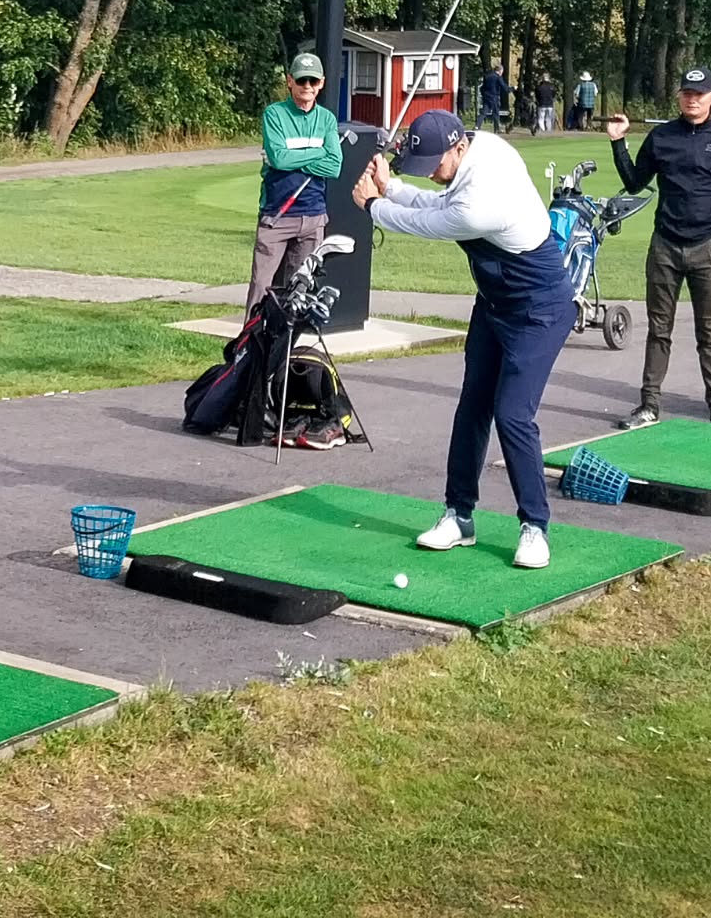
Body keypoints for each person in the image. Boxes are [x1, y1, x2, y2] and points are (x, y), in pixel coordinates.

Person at [353, 109, 575, 569]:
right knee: (473, 406)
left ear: (459, 147)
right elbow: (438, 202)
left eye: (435, 163)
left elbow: (430, 222)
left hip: (539, 309)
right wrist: (392, 186)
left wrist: (374, 205)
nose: (431, 172)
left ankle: (535, 526)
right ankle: (459, 515)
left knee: (512, 414)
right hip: (494, 304)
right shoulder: (480, 147)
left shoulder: (481, 202)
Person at [608, 67, 711, 428]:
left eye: (699, 94)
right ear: (679, 97)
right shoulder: (662, 136)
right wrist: (618, 142)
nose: (692, 99)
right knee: (658, 329)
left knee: (709, 333)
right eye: (686, 93)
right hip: (665, 245)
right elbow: (634, 182)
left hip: (708, 247)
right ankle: (649, 405)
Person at [245, 52, 343, 319]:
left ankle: (287, 343)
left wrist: (295, 160)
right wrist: (318, 152)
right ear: (290, 81)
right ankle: (249, 341)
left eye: (313, 81)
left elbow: (334, 166)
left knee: (299, 291)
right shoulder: (274, 114)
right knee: (261, 287)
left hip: (313, 216)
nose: (307, 86)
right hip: (277, 215)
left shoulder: (326, 119)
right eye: (301, 80)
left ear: (321, 83)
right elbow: (279, 158)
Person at [477, 63, 508, 133]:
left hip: (486, 97)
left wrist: (484, 94)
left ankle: (477, 126)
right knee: (495, 113)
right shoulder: (498, 77)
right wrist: (512, 88)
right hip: (494, 97)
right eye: (502, 71)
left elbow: (482, 87)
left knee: (483, 113)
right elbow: (504, 87)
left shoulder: (487, 76)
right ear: (500, 71)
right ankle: (497, 129)